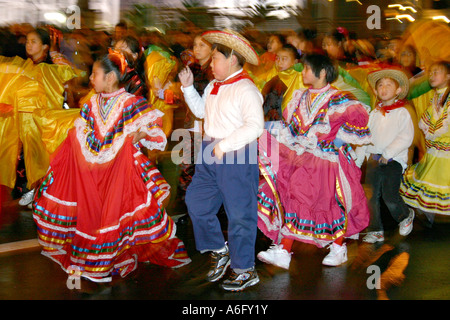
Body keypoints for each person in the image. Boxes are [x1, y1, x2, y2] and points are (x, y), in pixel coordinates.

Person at [32, 51, 191, 283]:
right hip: (92, 176)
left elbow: (157, 133)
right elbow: (82, 130)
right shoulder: (90, 104)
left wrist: (140, 133)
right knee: (94, 217)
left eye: (95, 74)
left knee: (110, 218)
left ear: (110, 78)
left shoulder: (130, 103)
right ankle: (97, 260)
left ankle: (103, 262)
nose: (91, 79)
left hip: (118, 177)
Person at [257, 53, 371, 269]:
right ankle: (284, 250)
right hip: (301, 158)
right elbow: (292, 127)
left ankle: (338, 247)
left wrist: (337, 141)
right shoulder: (300, 97)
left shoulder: (338, 98)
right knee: (292, 196)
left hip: (328, 162)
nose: (304, 72)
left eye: (308, 68)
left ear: (323, 72)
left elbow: (359, 121)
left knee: (329, 203)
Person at [178, 29, 264, 291]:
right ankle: (219, 249)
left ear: (233, 60)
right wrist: (188, 87)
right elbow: (202, 111)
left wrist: (225, 146)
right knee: (196, 202)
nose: (211, 63)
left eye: (216, 58)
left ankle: (244, 269)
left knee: (239, 214)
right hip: (210, 151)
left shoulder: (246, 88)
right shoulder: (216, 85)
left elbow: (255, 126)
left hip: (236, 154)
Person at [355, 68, 415, 243]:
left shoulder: (402, 112)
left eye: (389, 84)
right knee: (371, 196)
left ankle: (405, 215)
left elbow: (405, 136)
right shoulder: (374, 114)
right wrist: (358, 160)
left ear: (398, 90)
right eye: (380, 85)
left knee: (390, 196)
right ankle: (375, 230)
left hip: (393, 160)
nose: (384, 88)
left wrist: (388, 153)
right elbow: (365, 138)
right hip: (374, 159)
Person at [400, 61, 450, 222]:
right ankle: (428, 218)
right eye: (431, 72)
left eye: (437, 72)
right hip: (436, 150)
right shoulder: (436, 95)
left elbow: (443, 123)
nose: (432, 75)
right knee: (429, 186)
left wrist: (433, 133)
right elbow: (428, 119)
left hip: (445, 152)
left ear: (448, 76)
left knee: (440, 186)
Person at [261, 44, 301, 122]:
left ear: (295, 62)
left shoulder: (299, 77)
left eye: (284, 59)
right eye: (277, 58)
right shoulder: (272, 73)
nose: (279, 62)